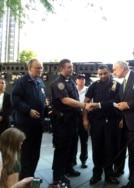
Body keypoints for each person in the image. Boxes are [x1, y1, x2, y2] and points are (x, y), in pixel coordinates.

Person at [50, 58, 95, 187]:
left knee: (71, 147)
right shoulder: (59, 83)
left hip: (73, 121)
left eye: (71, 67)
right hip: (63, 122)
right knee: (62, 149)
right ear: (61, 69)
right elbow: (65, 100)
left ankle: (68, 168)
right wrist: (84, 105)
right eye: (68, 67)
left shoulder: (70, 82)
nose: (71, 69)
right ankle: (58, 175)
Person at [83, 65, 121, 185]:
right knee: (97, 148)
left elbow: (117, 102)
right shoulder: (94, 85)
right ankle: (97, 174)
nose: (102, 76)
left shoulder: (117, 85)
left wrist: (121, 119)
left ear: (109, 72)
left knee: (110, 149)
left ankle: (109, 175)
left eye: (104, 73)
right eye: (100, 74)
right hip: (97, 121)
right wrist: (85, 119)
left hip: (112, 121)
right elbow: (86, 102)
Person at [11, 58, 46, 179]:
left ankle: (31, 175)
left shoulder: (40, 82)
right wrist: (28, 110)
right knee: (25, 152)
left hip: (38, 124)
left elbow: (40, 100)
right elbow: (15, 100)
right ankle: (23, 177)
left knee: (35, 152)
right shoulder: (21, 82)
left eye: (41, 68)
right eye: (37, 68)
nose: (40, 70)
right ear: (29, 68)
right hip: (25, 124)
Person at [112, 60, 134, 188]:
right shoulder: (123, 82)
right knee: (132, 155)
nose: (113, 72)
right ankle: (133, 182)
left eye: (115, 69)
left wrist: (128, 104)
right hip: (127, 123)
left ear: (123, 68)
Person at [74, 73, 89, 168]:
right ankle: (73, 160)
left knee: (84, 140)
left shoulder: (88, 90)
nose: (81, 80)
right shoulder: (72, 89)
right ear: (76, 80)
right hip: (74, 116)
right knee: (73, 140)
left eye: (83, 79)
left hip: (84, 115)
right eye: (79, 79)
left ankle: (84, 160)